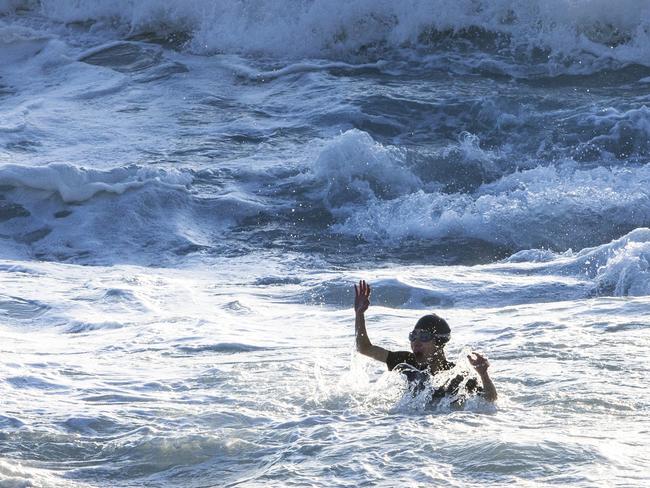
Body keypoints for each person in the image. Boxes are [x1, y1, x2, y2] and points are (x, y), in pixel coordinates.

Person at [354, 280, 497, 403]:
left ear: (439, 342)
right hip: (408, 423)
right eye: (413, 336)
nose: (416, 342)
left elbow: (489, 400)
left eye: (424, 337)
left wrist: (484, 375)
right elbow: (364, 348)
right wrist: (359, 314)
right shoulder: (406, 362)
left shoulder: (456, 376)